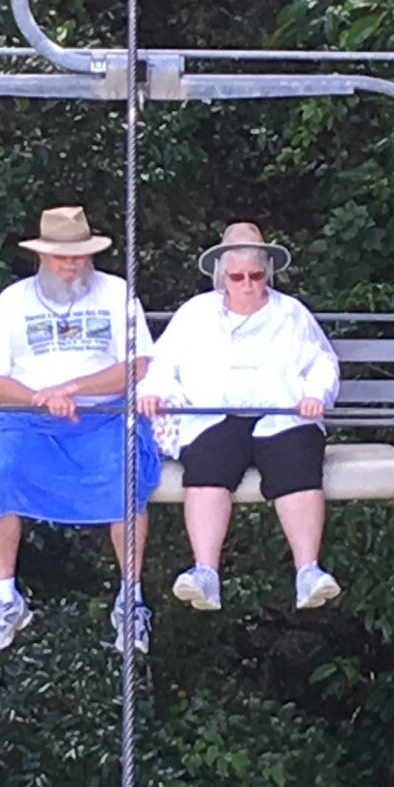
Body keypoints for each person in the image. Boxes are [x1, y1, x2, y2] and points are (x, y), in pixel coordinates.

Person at [0, 204, 160, 655]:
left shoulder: (116, 292)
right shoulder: (13, 300)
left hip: (103, 415)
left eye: (79, 255)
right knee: (2, 468)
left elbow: (138, 365)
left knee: (126, 472)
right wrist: (41, 397)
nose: (71, 264)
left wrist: (73, 388)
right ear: (41, 255)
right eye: (61, 256)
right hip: (29, 419)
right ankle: (5, 598)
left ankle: (130, 601)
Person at [138, 220, 341, 614]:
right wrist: (153, 391)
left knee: (297, 458)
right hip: (214, 416)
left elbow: (322, 362)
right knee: (208, 463)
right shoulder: (195, 313)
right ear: (222, 277)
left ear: (267, 274)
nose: (248, 285)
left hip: (281, 413)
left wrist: (316, 395)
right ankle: (205, 572)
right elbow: (162, 364)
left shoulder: (292, 314)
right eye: (237, 277)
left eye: (256, 276)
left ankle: (308, 571)